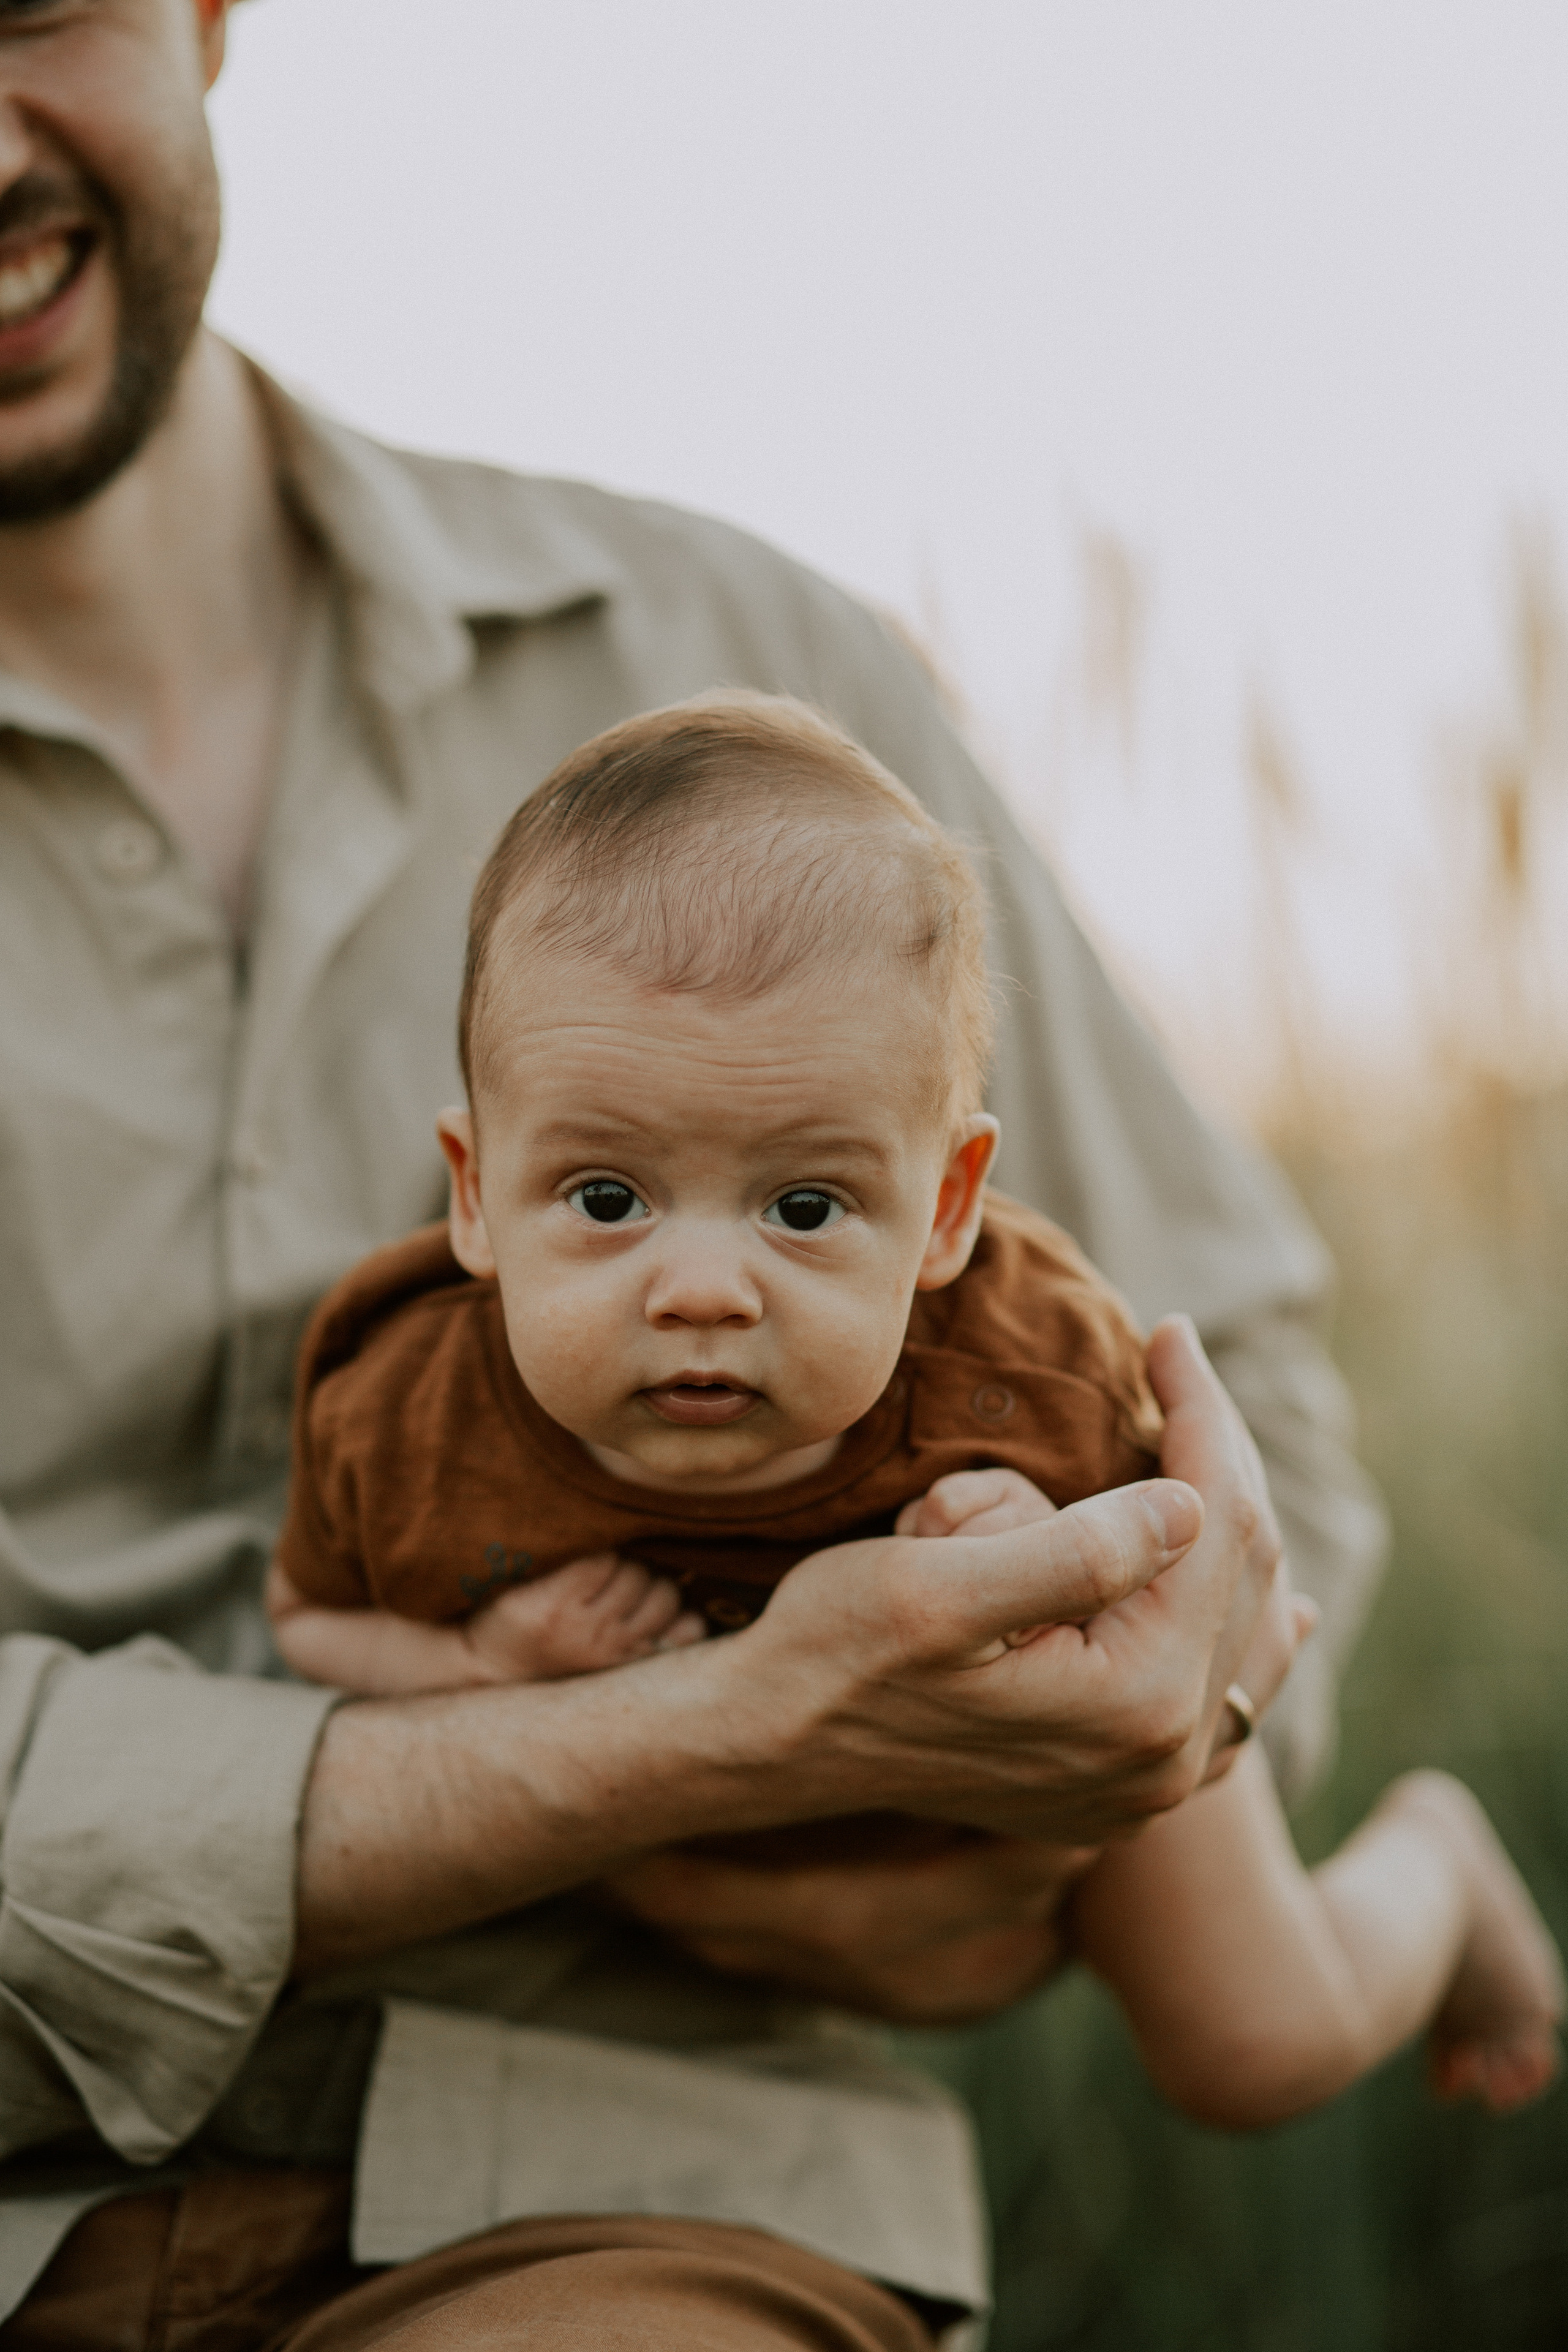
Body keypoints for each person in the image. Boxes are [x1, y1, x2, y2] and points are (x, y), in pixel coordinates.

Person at [0, 2, 1387, 2343]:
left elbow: (1238, 1419)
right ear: (472, 1183)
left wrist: (1045, 1770)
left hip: (649, 2170)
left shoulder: (747, 663)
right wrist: (677, 1743)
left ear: (213, 12)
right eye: (611, 1199)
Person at [266, 693, 1563, 2133]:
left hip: (1024, 1795)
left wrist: (1042, 1556)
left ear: (944, 1210)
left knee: (1249, 2053)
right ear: (472, 1194)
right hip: (677, 1880)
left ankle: (1435, 1866)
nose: (701, 1288)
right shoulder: (399, 1415)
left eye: (804, 1207)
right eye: (606, 1199)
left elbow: (1182, 1602)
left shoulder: (1025, 1369)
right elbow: (306, 1623)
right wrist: (477, 1664)